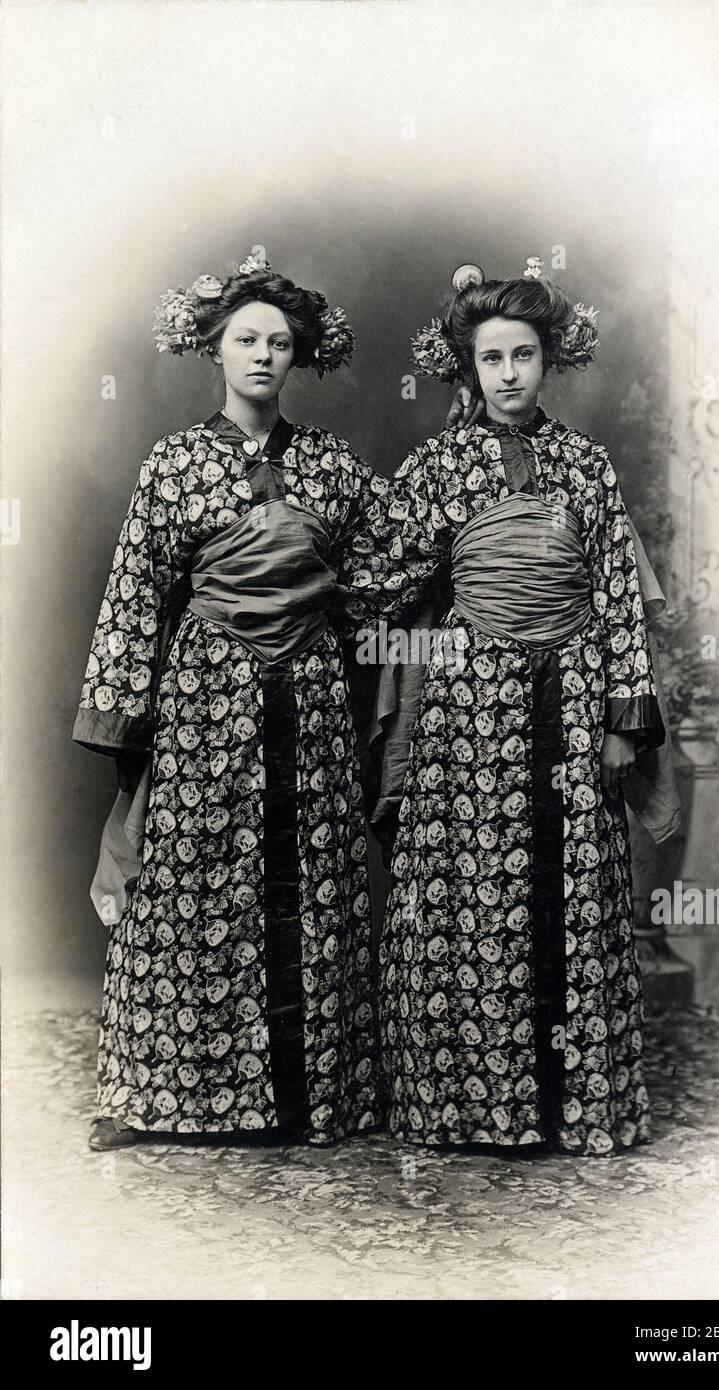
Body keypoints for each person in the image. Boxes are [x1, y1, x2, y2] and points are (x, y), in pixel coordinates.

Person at [341, 257, 673, 1155]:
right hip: (466, 709)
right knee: (473, 892)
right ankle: (472, 1106)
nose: (510, 374)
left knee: (570, 888)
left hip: (570, 703)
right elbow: (379, 579)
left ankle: (574, 1102)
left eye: (524, 354)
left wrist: (620, 723)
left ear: (548, 359)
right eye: (492, 359)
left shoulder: (586, 467)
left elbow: (612, 598)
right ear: (468, 367)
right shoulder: (438, 467)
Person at [74, 247, 381, 1150]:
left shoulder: (331, 466)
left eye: (279, 343)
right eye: (245, 339)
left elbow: (383, 571)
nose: (261, 356)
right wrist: (129, 727)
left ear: (298, 357)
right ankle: (161, 1097)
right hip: (206, 704)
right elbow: (136, 594)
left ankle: (312, 1097)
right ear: (214, 348)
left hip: (313, 700)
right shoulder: (172, 466)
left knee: (313, 882)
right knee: (191, 892)